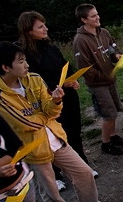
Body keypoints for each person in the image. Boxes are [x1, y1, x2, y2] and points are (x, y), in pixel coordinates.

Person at [0, 41, 112, 202]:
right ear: (5, 67)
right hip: (32, 148)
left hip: (55, 137)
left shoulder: (34, 78)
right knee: (49, 188)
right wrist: (46, 114)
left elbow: (51, 110)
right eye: (21, 61)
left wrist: (56, 100)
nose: (26, 65)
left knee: (83, 172)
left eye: (25, 60)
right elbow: (25, 123)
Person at [17, 11, 96, 180]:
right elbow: (32, 79)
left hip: (67, 96)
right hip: (45, 101)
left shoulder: (51, 47)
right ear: (28, 30)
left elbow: (64, 66)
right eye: (40, 26)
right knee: (51, 137)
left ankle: (82, 165)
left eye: (44, 24)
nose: (46, 28)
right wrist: (56, 86)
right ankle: (56, 175)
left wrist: (72, 79)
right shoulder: (23, 54)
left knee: (74, 131)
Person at [72, 3, 123, 155]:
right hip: (98, 85)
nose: (97, 17)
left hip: (111, 80)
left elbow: (113, 48)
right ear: (84, 20)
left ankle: (113, 136)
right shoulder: (80, 41)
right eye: (93, 16)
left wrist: (116, 56)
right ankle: (106, 145)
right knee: (108, 113)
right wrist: (104, 75)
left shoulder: (104, 32)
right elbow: (85, 69)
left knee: (115, 110)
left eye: (97, 14)